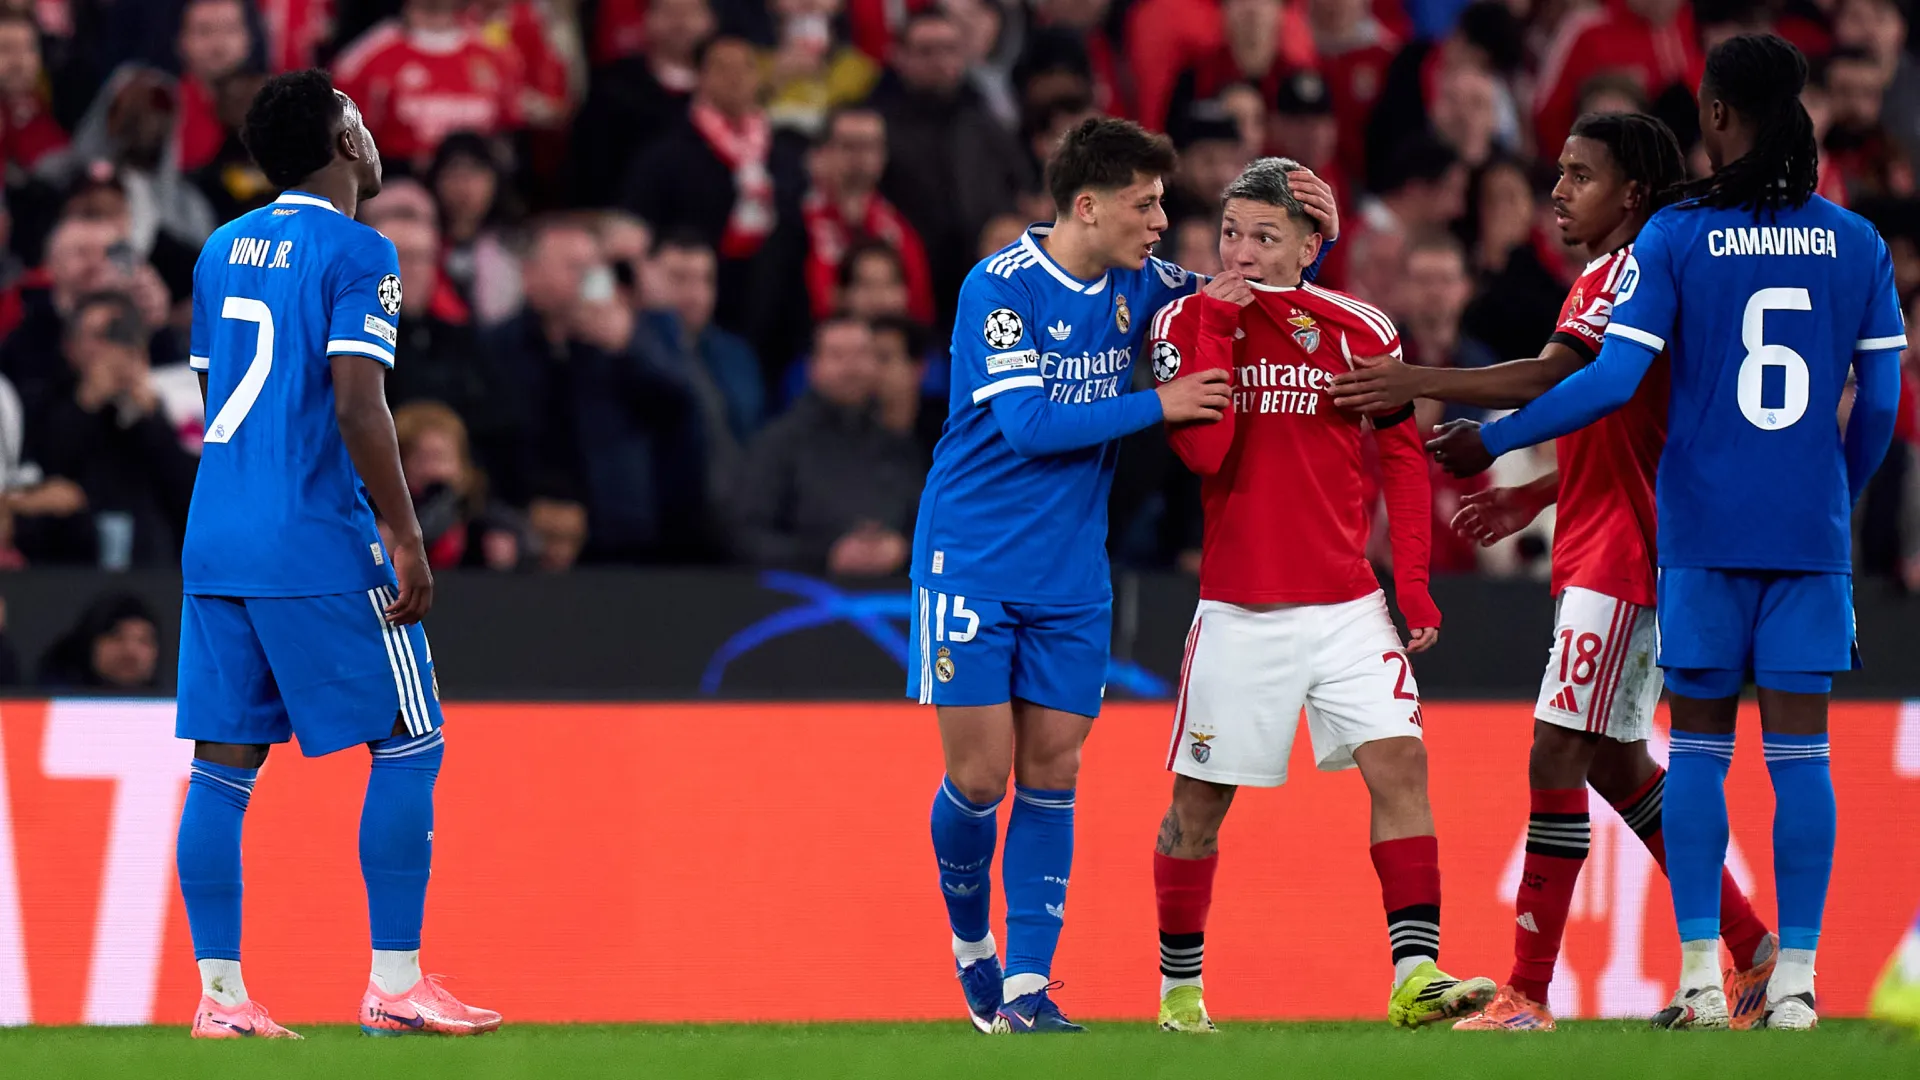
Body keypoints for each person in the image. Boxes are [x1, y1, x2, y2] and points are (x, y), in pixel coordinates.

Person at [1425, 36, 1906, 1031]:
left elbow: (1607, 382)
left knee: (1679, 755)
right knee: (1794, 761)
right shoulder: (1856, 240)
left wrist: (1495, 441)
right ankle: (1789, 980)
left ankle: (1668, 983)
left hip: (1685, 540)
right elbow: (1880, 405)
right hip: (1802, 538)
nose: (1560, 189)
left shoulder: (1678, 240)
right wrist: (1834, 494)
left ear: (1718, 117)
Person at [1330, 113, 1782, 1031]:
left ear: (1633, 192)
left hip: (1626, 549)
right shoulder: (1627, 271)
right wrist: (1533, 494)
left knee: (1555, 750)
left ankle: (1527, 993)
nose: (1560, 191)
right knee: (1614, 761)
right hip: (1608, 531)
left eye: (1581, 175)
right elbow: (1623, 422)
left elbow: (1551, 379)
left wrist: (1419, 381)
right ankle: (1751, 946)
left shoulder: (1628, 272)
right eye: (1562, 172)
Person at [173, 69, 499, 1039]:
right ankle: (395, 984)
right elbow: (359, 402)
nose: (369, 124)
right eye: (356, 111)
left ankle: (221, 1000)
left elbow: (214, 399)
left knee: (222, 766)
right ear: (344, 140)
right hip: (313, 534)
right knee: (411, 738)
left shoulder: (220, 249)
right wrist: (405, 532)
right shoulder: (362, 250)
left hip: (217, 534)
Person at [912, 116, 1244, 1035]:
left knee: (1054, 769)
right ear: (1088, 205)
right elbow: (1028, 428)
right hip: (972, 559)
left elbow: (1242, 292)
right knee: (981, 779)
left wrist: (1309, 236)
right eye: (1146, 204)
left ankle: (1027, 988)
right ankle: (971, 944)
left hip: (1071, 574)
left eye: (1163, 203)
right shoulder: (1000, 288)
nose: (1161, 222)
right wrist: (1160, 402)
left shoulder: (1145, 282)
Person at [1145, 157, 1492, 1034]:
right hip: (1240, 608)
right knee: (1199, 805)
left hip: (1347, 605)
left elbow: (1402, 457)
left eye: (1265, 237)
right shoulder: (1184, 321)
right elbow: (1203, 455)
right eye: (1231, 233)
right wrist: (1220, 325)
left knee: (1401, 765)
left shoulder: (1359, 326)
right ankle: (1180, 992)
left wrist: (1413, 585)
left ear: (1309, 246)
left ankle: (1416, 975)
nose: (1241, 251)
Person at [728, 315, 923, 575]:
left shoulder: (898, 447)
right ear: (813, 367)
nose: (851, 368)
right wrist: (826, 555)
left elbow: (933, 526)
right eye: (837, 355)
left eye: (861, 354)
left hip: (893, 593)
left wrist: (903, 550)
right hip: (801, 592)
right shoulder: (778, 444)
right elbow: (746, 536)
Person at [35, 589, 161, 690]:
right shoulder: (52, 704)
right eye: (117, 637)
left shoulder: (167, 708)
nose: (130, 650)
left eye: (143, 640)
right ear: (89, 644)